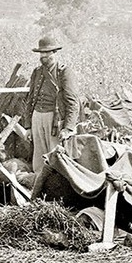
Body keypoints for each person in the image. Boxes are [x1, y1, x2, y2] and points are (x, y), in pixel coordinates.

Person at [23, 35, 80, 173]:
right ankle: (38, 184)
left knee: (56, 157)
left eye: (47, 52)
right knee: (39, 158)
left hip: (54, 120)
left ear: (54, 53)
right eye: (41, 53)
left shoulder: (64, 72)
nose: (43, 56)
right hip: (37, 118)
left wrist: (68, 128)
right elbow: (30, 100)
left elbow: (73, 102)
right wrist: (28, 126)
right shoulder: (37, 72)